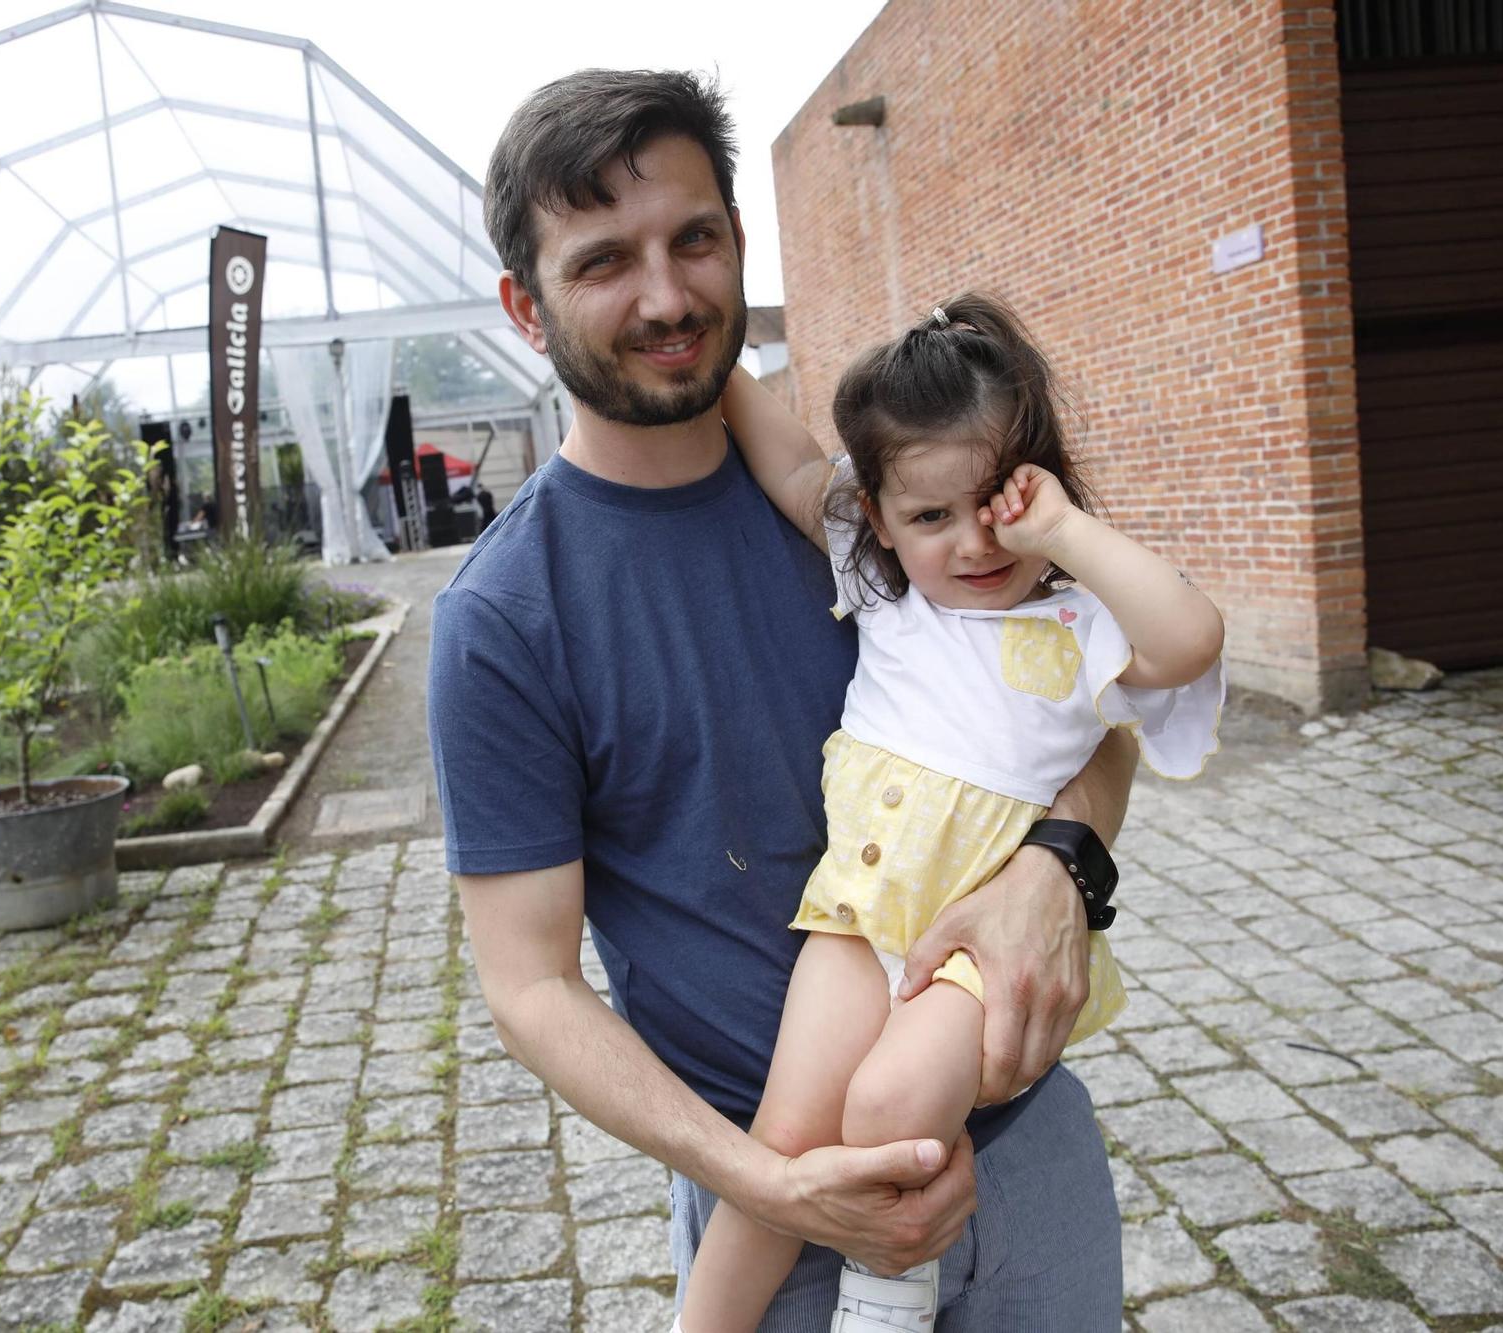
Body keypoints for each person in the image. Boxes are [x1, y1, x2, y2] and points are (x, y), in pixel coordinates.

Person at [427, 69, 1137, 1330]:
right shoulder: (505, 618)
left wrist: (1055, 869)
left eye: (693, 238)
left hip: (1025, 1162)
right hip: (778, 1217)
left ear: (737, 247)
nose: (664, 294)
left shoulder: (880, 526)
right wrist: (778, 1183)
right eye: (602, 261)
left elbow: (1089, 711)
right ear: (523, 310)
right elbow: (528, 986)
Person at [680, 301, 1225, 1332]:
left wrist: (1061, 529)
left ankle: (886, 1306)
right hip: (856, 911)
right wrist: (714, 365)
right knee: (783, 1140)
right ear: (877, 518)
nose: (972, 542)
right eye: (929, 517)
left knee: (886, 1106)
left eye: (996, 504)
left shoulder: (1077, 622)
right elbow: (792, 464)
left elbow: (1191, 638)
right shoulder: (884, 592)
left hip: (976, 944)